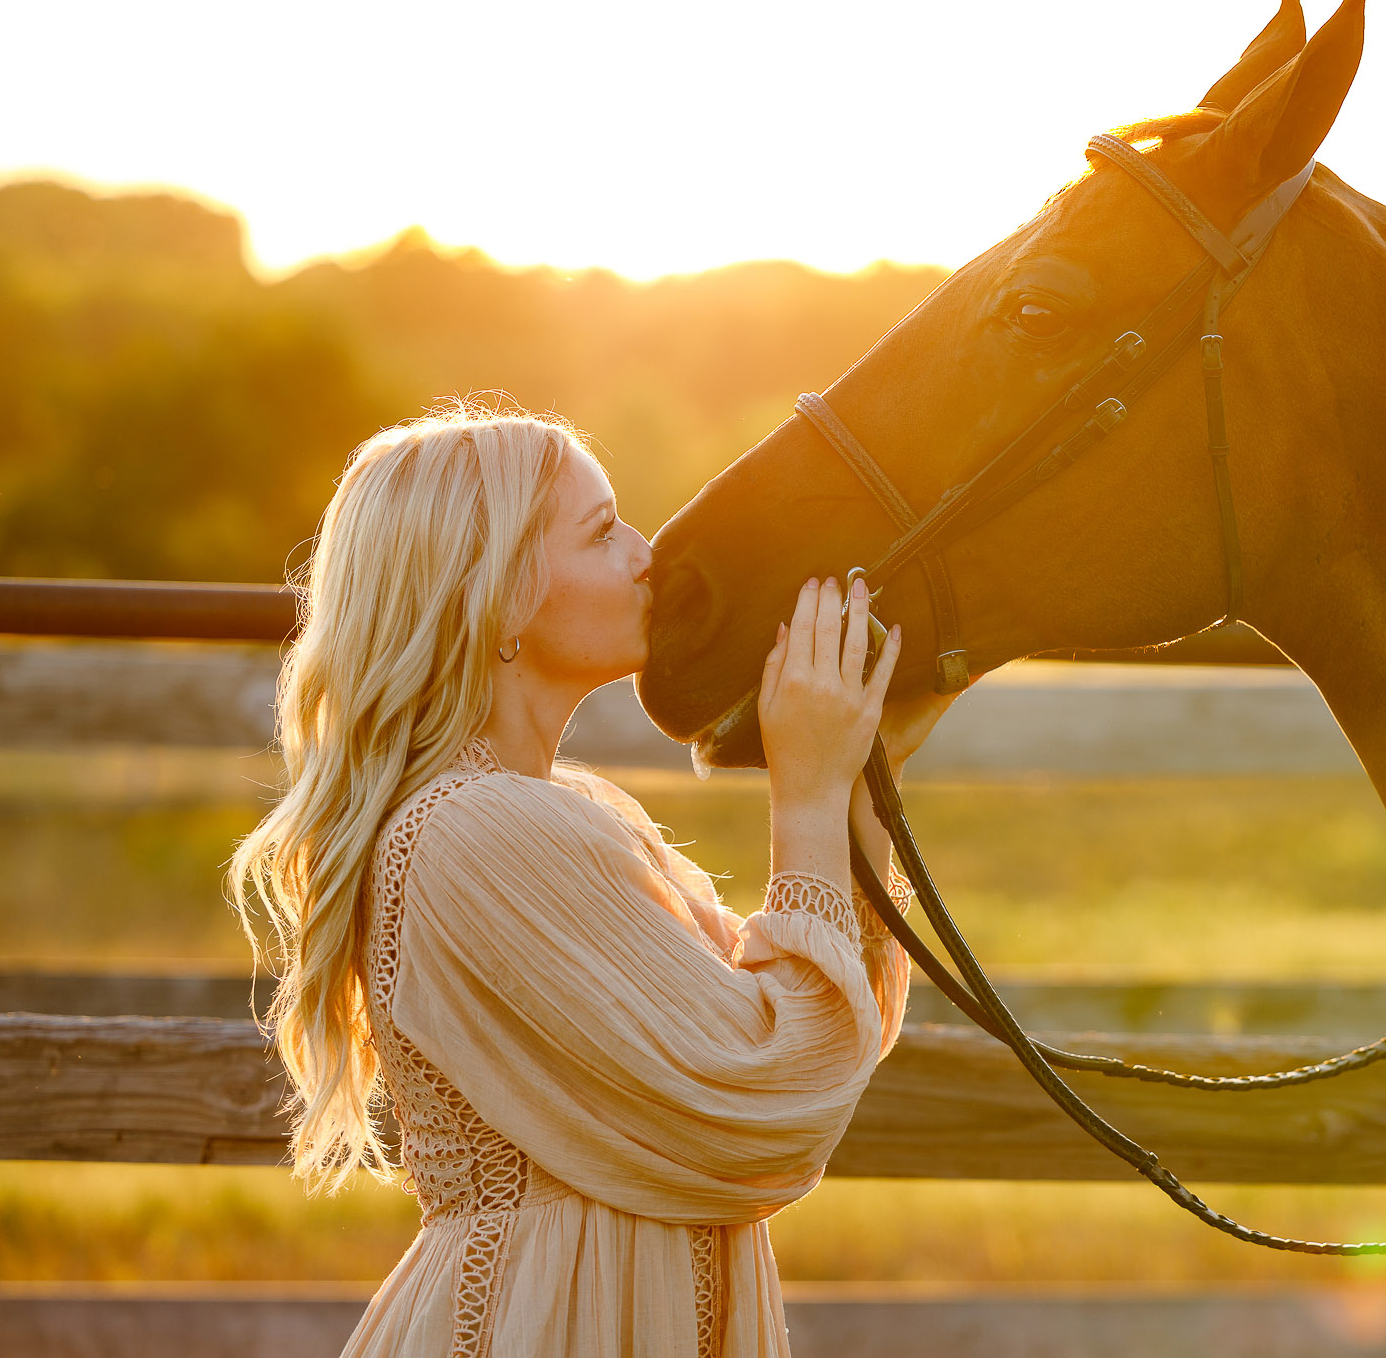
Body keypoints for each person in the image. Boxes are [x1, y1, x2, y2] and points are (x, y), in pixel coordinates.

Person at [230, 401, 948, 1357]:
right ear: (495, 597)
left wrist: (861, 778)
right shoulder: (481, 830)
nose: (648, 555)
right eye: (603, 532)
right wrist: (806, 798)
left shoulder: (559, 807)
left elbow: (810, 1037)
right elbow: (772, 1098)